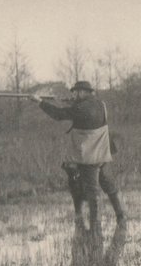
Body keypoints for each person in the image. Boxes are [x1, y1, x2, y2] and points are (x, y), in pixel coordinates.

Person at [33, 81, 127, 229]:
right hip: (102, 152)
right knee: (108, 185)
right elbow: (82, 111)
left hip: (89, 155)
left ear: (83, 92)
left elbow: (58, 115)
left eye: (76, 92)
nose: (74, 95)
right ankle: (121, 216)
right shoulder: (100, 104)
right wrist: (70, 103)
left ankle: (95, 225)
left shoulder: (80, 108)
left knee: (92, 191)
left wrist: (40, 102)